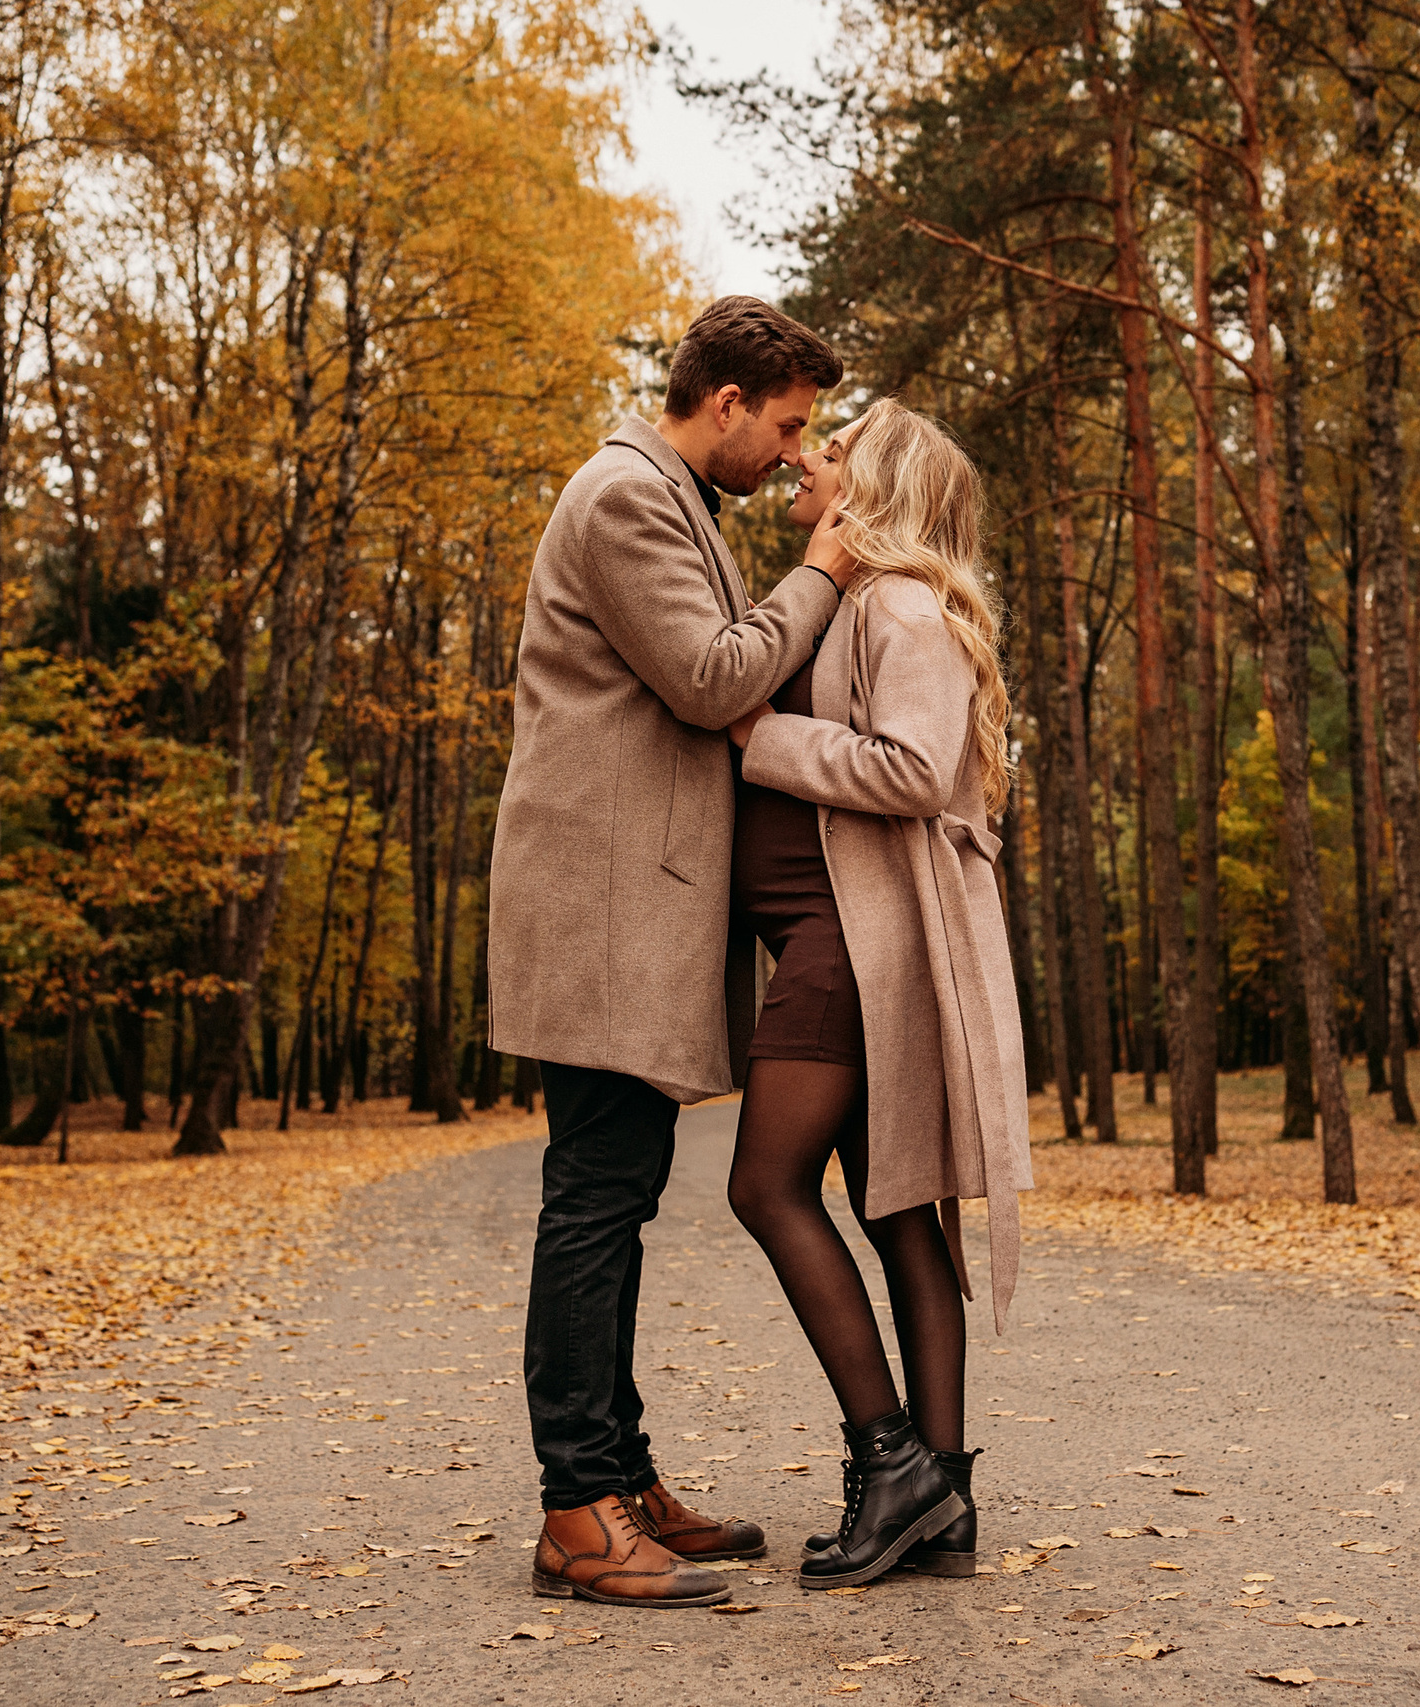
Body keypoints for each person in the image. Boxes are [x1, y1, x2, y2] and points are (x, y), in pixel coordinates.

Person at [488, 296, 856, 1610]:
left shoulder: (670, 498)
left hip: (623, 902)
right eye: (790, 426)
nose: (791, 454)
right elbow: (711, 678)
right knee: (595, 1192)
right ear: (730, 401)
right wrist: (830, 570)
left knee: (618, 1187)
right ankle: (577, 1511)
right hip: (598, 907)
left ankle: (618, 1474)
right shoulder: (627, 497)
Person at [723, 398, 1033, 1590]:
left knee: (766, 1184)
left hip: (845, 942)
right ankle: (941, 1506)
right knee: (898, 1210)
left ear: (877, 492)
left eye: (833, 448)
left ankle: (891, 1457)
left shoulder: (899, 606)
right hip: (841, 935)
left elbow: (910, 771)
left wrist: (760, 735)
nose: (806, 456)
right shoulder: (865, 606)